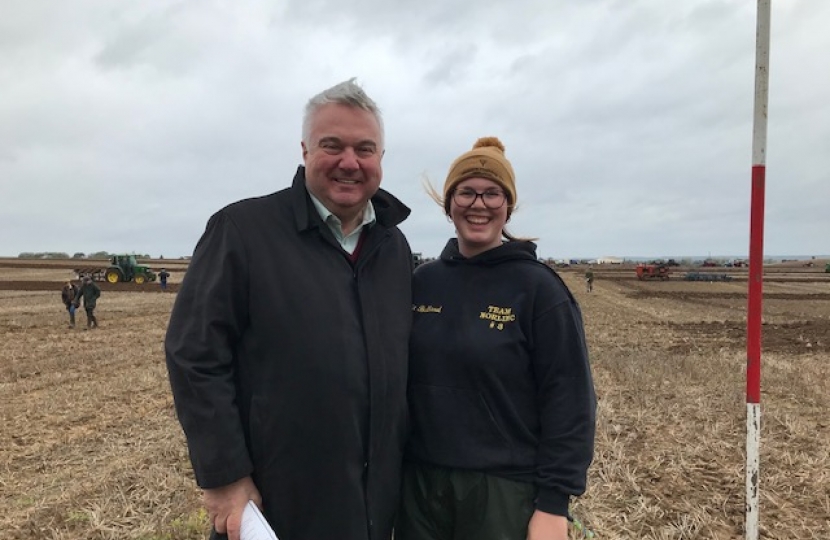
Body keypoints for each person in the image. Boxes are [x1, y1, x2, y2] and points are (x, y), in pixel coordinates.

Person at [164, 79, 413, 540]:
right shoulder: (242, 231)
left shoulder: (394, 246)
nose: (349, 162)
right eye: (331, 146)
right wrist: (224, 476)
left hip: (374, 505)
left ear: (381, 158)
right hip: (276, 502)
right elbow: (193, 355)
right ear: (304, 151)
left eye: (365, 149)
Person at [397, 137, 596, 540]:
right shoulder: (422, 282)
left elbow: (570, 398)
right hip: (420, 485)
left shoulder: (538, 289)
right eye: (466, 192)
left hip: (502, 491)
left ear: (509, 206)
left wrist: (553, 505)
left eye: (493, 194)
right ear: (448, 204)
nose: (479, 204)